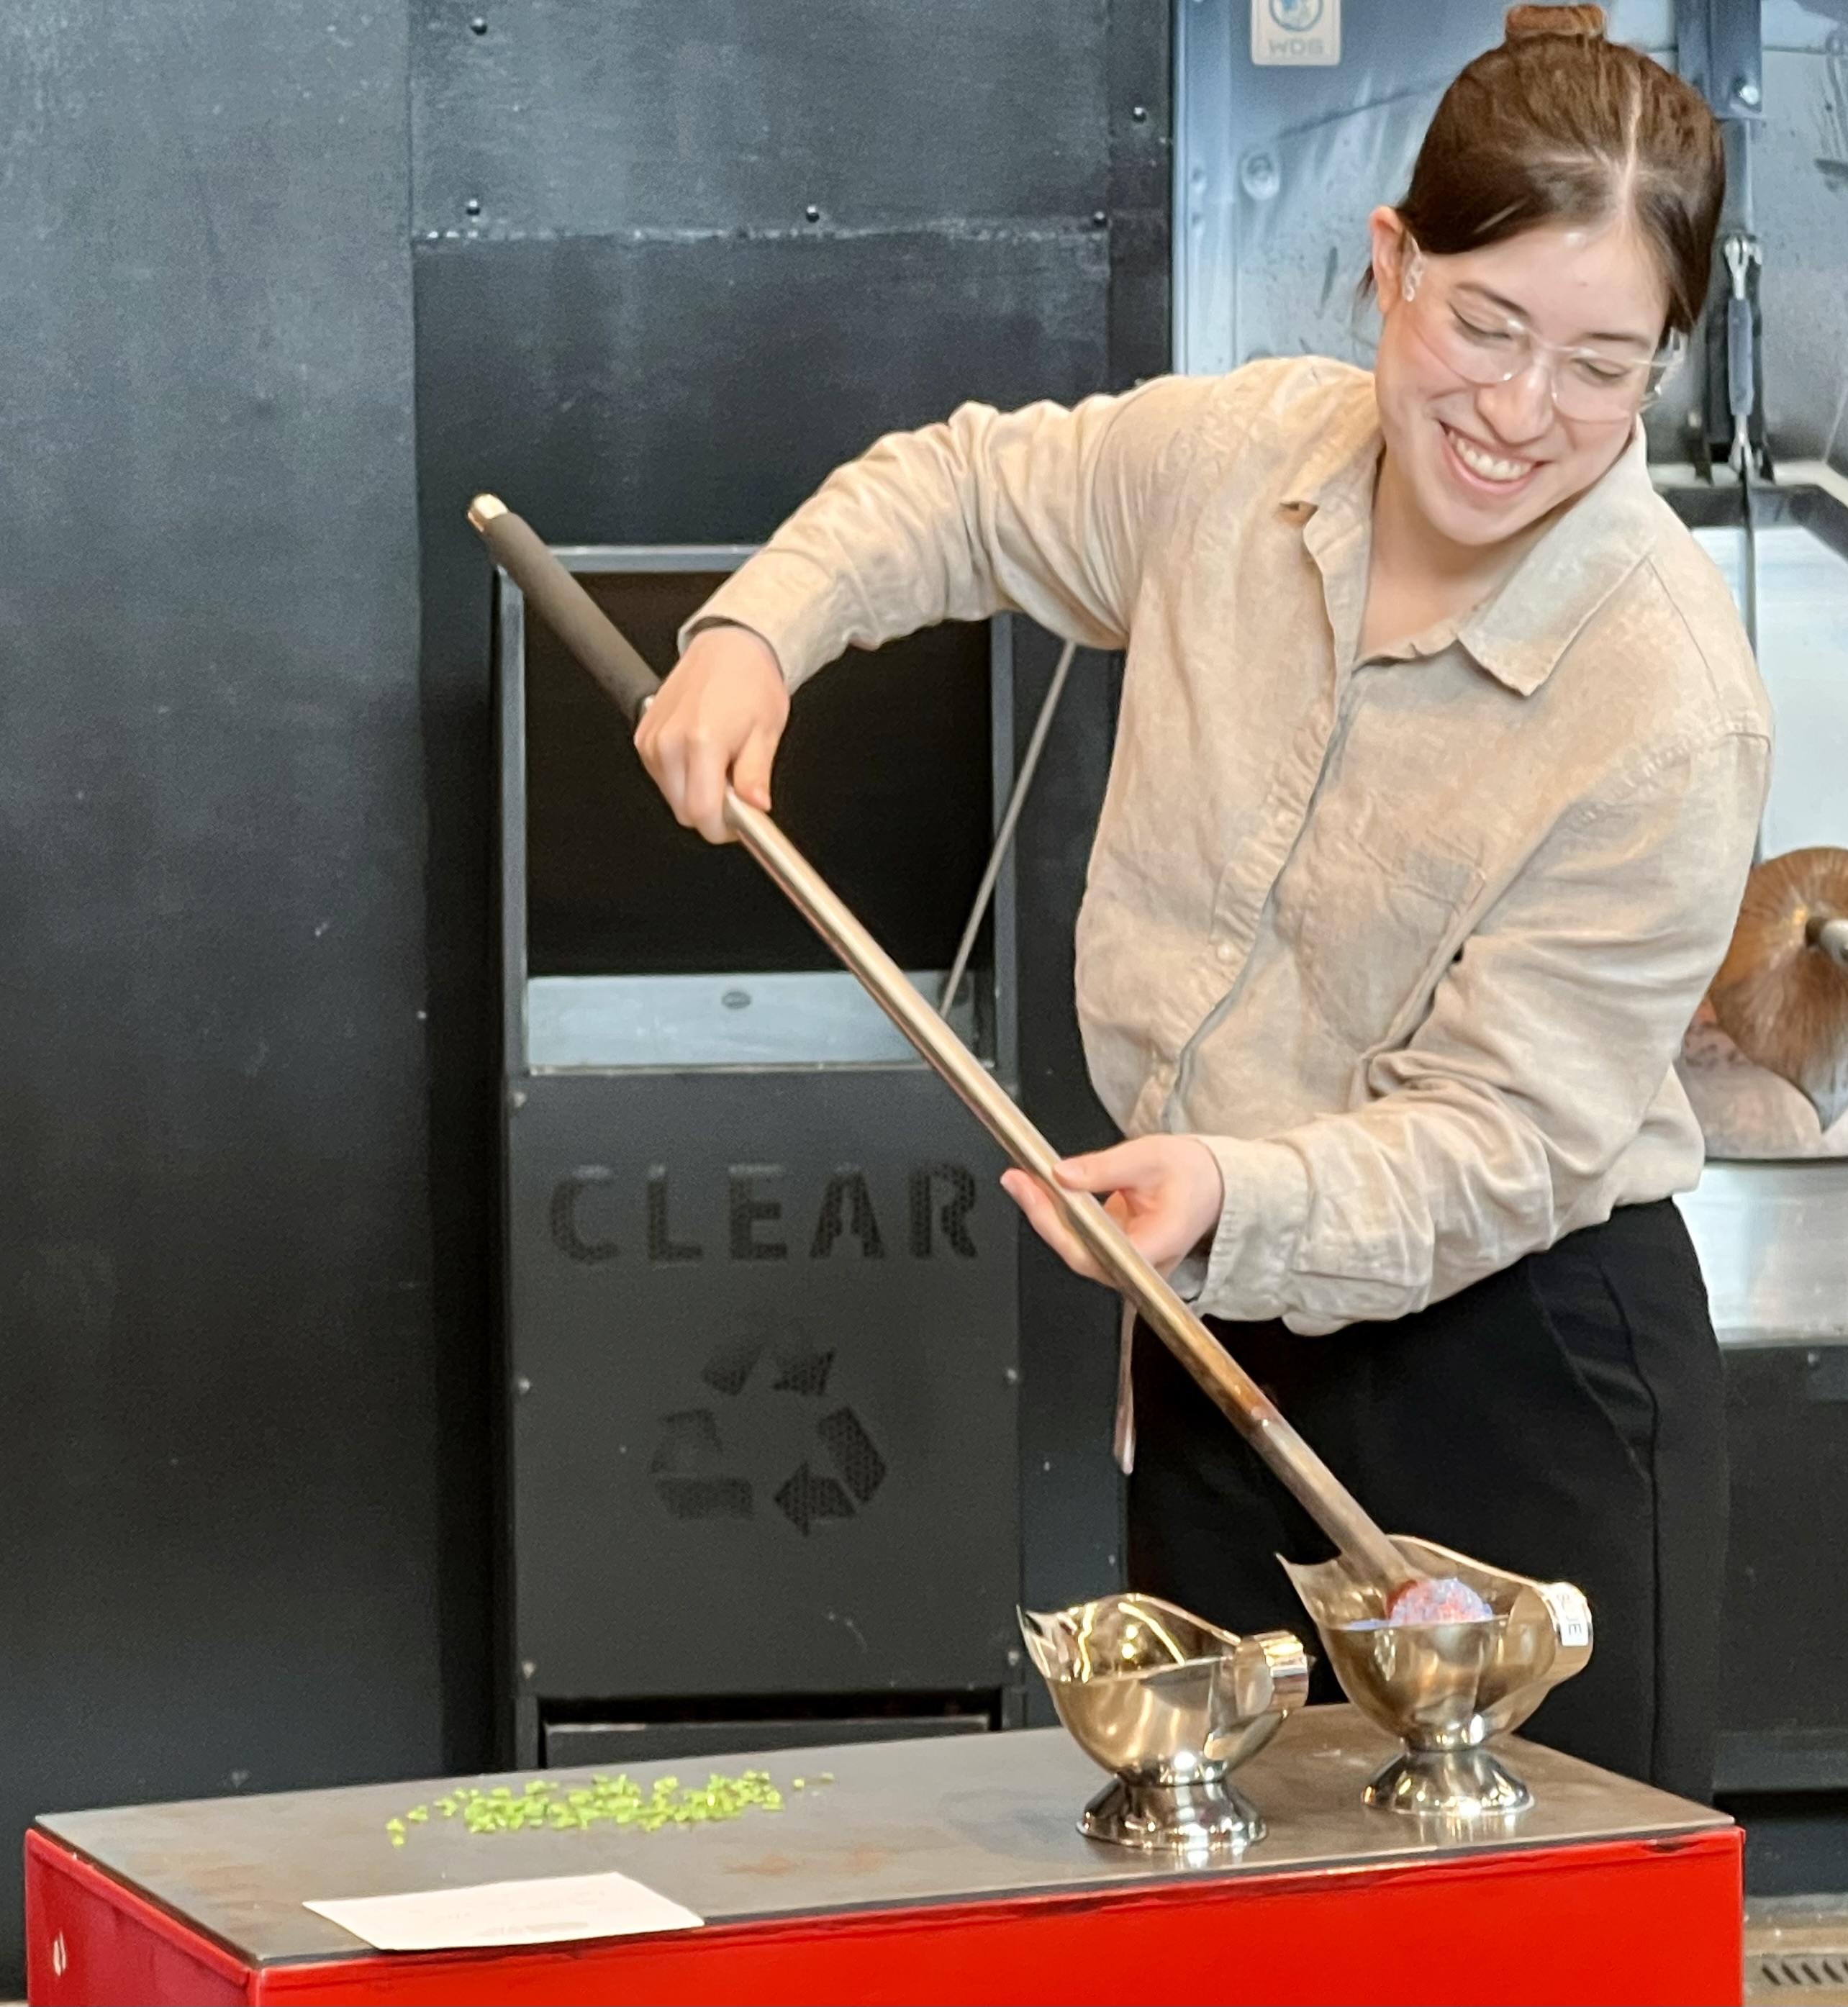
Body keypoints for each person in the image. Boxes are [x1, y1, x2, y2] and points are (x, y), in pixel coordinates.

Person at [634, 4, 1767, 1798]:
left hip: (1518, 1357)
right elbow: (969, 492)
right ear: (1391, 264)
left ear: (1667, 363)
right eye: (1484, 324)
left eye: (1602, 365)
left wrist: (1228, 1191)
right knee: (1232, 1910)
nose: (1522, 411)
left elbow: (1501, 1141)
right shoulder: (1241, 462)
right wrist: (760, 632)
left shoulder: (1669, 700)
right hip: (1215, 1314)